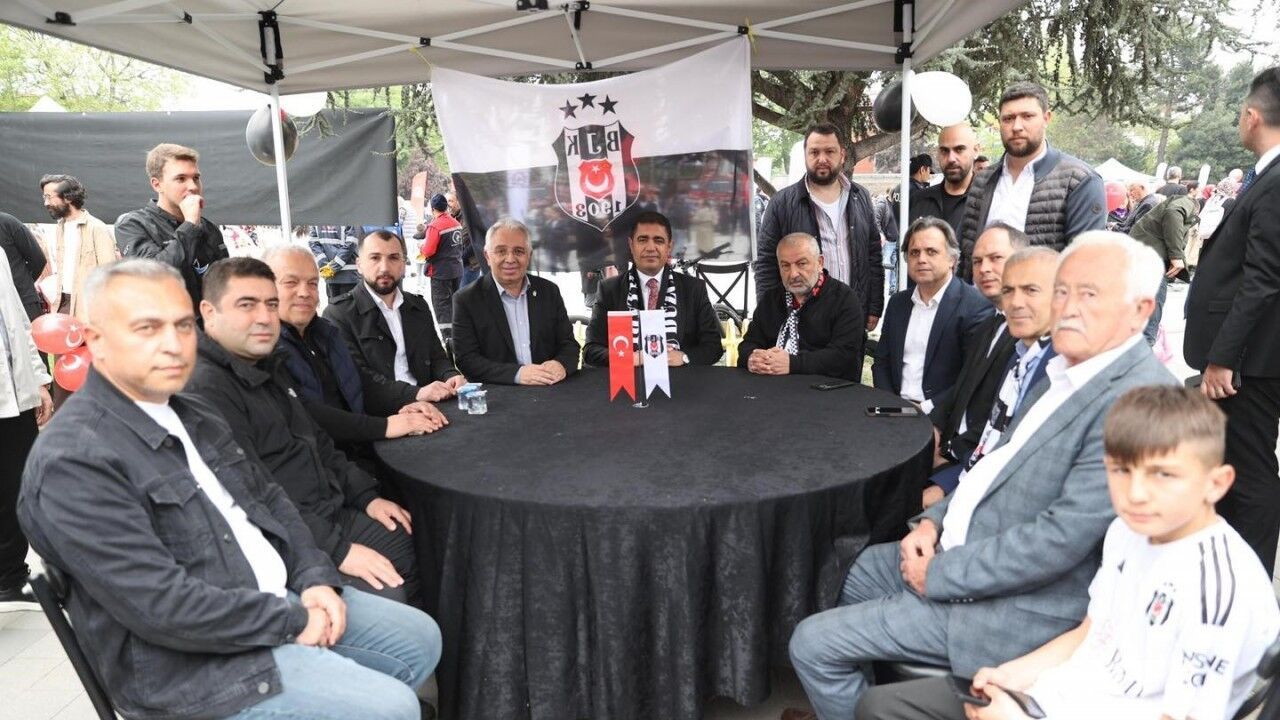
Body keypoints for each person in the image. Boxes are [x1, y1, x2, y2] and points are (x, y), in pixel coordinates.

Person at [17, 259, 440, 720]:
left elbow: (269, 499)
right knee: (395, 707)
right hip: (196, 670)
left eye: (182, 326)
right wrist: (293, 619)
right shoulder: (74, 461)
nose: (173, 343)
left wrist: (313, 576)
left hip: (269, 596)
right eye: (147, 328)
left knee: (420, 639)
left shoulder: (188, 412)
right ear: (96, 340)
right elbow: (162, 607)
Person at [784, 232, 1175, 720]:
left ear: (1140, 311)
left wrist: (939, 572)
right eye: (1062, 291)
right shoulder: (1070, 373)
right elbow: (992, 466)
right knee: (848, 571)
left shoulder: (1141, 402)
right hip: (960, 547)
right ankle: (868, 702)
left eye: (1089, 293)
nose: (1067, 307)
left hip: (1011, 607)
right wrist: (932, 524)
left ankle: (870, 701)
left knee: (810, 644)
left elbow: (1060, 541)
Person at [859, 387, 1280, 720]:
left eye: (1163, 475)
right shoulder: (1127, 530)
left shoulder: (1219, 590)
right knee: (878, 707)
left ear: (1216, 483)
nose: (1136, 493)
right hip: (1055, 694)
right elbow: (1091, 631)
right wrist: (1011, 675)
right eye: (1121, 471)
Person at [186, 258, 423, 607]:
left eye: (270, 305)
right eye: (247, 305)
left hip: (329, 509)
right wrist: (338, 550)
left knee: (415, 535)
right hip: (289, 543)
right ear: (209, 312)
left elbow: (318, 441)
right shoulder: (207, 388)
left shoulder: (268, 363)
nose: (265, 317)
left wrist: (366, 497)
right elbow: (252, 497)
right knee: (394, 591)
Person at [1183, 66, 1280, 575]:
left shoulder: (1276, 181)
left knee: (1251, 474)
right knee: (1231, 468)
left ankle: (1251, 587)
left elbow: (1263, 279)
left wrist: (1224, 357)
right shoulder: (1266, 177)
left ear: (1251, 115)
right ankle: (1224, 571)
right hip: (1246, 355)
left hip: (1249, 361)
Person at [263, 245, 448, 448]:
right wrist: (385, 426)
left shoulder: (325, 333)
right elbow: (305, 413)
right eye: (291, 282)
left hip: (359, 443)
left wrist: (407, 403)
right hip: (323, 457)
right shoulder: (264, 348)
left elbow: (360, 383)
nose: (305, 292)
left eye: (313, 283)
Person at [926, 247, 1058, 508]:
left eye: (1031, 290)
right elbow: (992, 435)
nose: (1016, 302)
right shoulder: (1019, 353)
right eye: (1008, 291)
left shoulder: (1058, 367)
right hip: (968, 473)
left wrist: (946, 490)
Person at [956, 82, 1106, 277]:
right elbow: (964, 252)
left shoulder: (1080, 181)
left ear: (1046, 118)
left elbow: (1084, 265)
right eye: (1008, 118)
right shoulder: (982, 180)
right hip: (978, 296)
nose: (1016, 127)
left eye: (1027, 116)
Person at [756, 123, 884, 331]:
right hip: (801, 319)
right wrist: (769, 317)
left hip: (851, 316)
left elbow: (873, 254)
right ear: (805, 155)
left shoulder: (860, 197)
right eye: (814, 152)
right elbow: (766, 264)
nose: (822, 159)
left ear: (842, 155)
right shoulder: (782, 204)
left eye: (829, 151)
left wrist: (874, 306)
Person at [326, 230, 469, 405]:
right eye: (375, 258)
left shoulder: (418, 307)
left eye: (393, 258)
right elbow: (357, 378)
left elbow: (436, 356)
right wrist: (416, 394)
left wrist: (450, 375)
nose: (384, 268)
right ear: (359, 265)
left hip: (430, 405)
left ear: (403, 264)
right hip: (380, 413)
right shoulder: (339, 314)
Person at [872, 217, 993, 407]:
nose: (921, 259)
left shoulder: (975, 306)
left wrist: (926, 410)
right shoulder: (898, 304)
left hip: (942, 416)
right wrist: (891, 405)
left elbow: (971, 378)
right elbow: (881, 362)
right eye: (914, 252)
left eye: (931, 252)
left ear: (952, 259)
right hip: (893, 410)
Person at [583, 210, 723, 367]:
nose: (650, 247)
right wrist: (628, 358)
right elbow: (590, 351)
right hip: (628, 378)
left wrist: (684, 357)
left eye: (659, 240)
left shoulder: (693, 289)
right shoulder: (609, 290)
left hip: (681, 379)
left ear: (669, 247)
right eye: (643, 240)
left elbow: (713, 347)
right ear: (631, 245)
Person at [452, 218, 580, 385]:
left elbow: (569, 345)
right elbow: (467, 360)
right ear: (487, 256)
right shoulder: (466, 300)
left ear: (529, 256)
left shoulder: (549, 291)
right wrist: (518, 374)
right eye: (501, 251)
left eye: (519, 251)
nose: (510, 259)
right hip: (499, 394)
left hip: (550, 389)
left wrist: (560, 364)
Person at [737, 233, 865, 381]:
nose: (793, 274)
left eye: (801, 264)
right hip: (772, 385)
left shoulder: (844, 299)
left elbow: (843, 356)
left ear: (820, 263)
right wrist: (752, 357)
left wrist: (792, 364)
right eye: (785, 266)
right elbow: (749, 343)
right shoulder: (771, 298)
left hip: (825, 388)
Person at [0, 247, 52, 605]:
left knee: (18, 482)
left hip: (15, 391)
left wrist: (38, 381)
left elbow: (16, 319)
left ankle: (10, 576)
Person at [115, 143, 228, 307]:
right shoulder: (132, 224)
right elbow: (154, 276)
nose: (193, 186)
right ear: (157, 184)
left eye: (196, 178)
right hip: (164, 320)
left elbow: (224, 283)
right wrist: (190, 225)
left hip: (209, 320)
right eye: (181, 179)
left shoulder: (209, 228)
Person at [39, 174, 118, 320]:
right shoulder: (60, 227)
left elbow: (110, 274)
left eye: (49, 197)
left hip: (89, 307)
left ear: (68, 198)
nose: (46, 203)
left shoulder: (96, 228)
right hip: (63, 303)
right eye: (44, 197)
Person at [1128, 192, 1197, 345]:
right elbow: (1173, 212)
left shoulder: (1178, 204)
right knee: (1150, 309)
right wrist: (1176, 256)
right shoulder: (1189, 203)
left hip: (1144, 254)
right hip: (1149, 257)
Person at [910, 125, 981, 234]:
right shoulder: (918, 200)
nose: (951, 158)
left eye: (959, 149)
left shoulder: (990, 202)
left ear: (976, 150)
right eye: (945, 151)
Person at [419, 193, 466, 338]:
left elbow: (428, 251)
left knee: (442, 308)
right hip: (457, 271)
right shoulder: (456, 224)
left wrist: (421, 247)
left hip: (440, 274)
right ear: (446, 207)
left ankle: (448, 340)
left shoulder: (435, 226)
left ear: (433, 209)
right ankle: (459, 336)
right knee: (454, 306)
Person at [0, 211, 47, 321]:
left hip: (24, 302)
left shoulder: (7, 222)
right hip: (9, 306)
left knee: (32, 331)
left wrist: (24, 283)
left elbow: (38, 259)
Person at [308, 224, 360, 300]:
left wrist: (326, 265)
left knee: (335, 306)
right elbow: (351, 242)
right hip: (348, 277)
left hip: (332, 277)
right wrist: (332, 267)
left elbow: (313, 243)